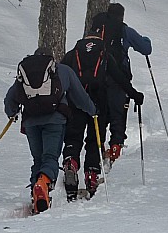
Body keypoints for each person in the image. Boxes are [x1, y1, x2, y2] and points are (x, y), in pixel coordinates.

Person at [4, 47, 96, 214]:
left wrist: (12, 113)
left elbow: (11, 97)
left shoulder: (26, 73)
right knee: (50, 157)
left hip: (31, 121)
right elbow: (80, 97)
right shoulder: (63, 71)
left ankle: (37, 193)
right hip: (55, 120)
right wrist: (92, 110)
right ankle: (43, 183)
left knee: (37, 159)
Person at [60, 27, 144, 200]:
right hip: (99, 103)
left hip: (75, 102)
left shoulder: (72, 54)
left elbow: (60, 76)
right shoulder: (105, 55)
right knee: (94, 140)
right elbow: (120, 79)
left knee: (73, 137)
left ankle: (71, 161)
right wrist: (135, 95)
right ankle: (91, 174)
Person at [91, 3, 151, 164]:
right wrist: (146, 39)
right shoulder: (124, 30)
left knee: (101, 115)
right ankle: (115, 147)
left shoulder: (95, 29)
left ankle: (98, 150)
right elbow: (146, 48)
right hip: (119, 80)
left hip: (96, 79)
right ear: (121, 16)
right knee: (118, 115)